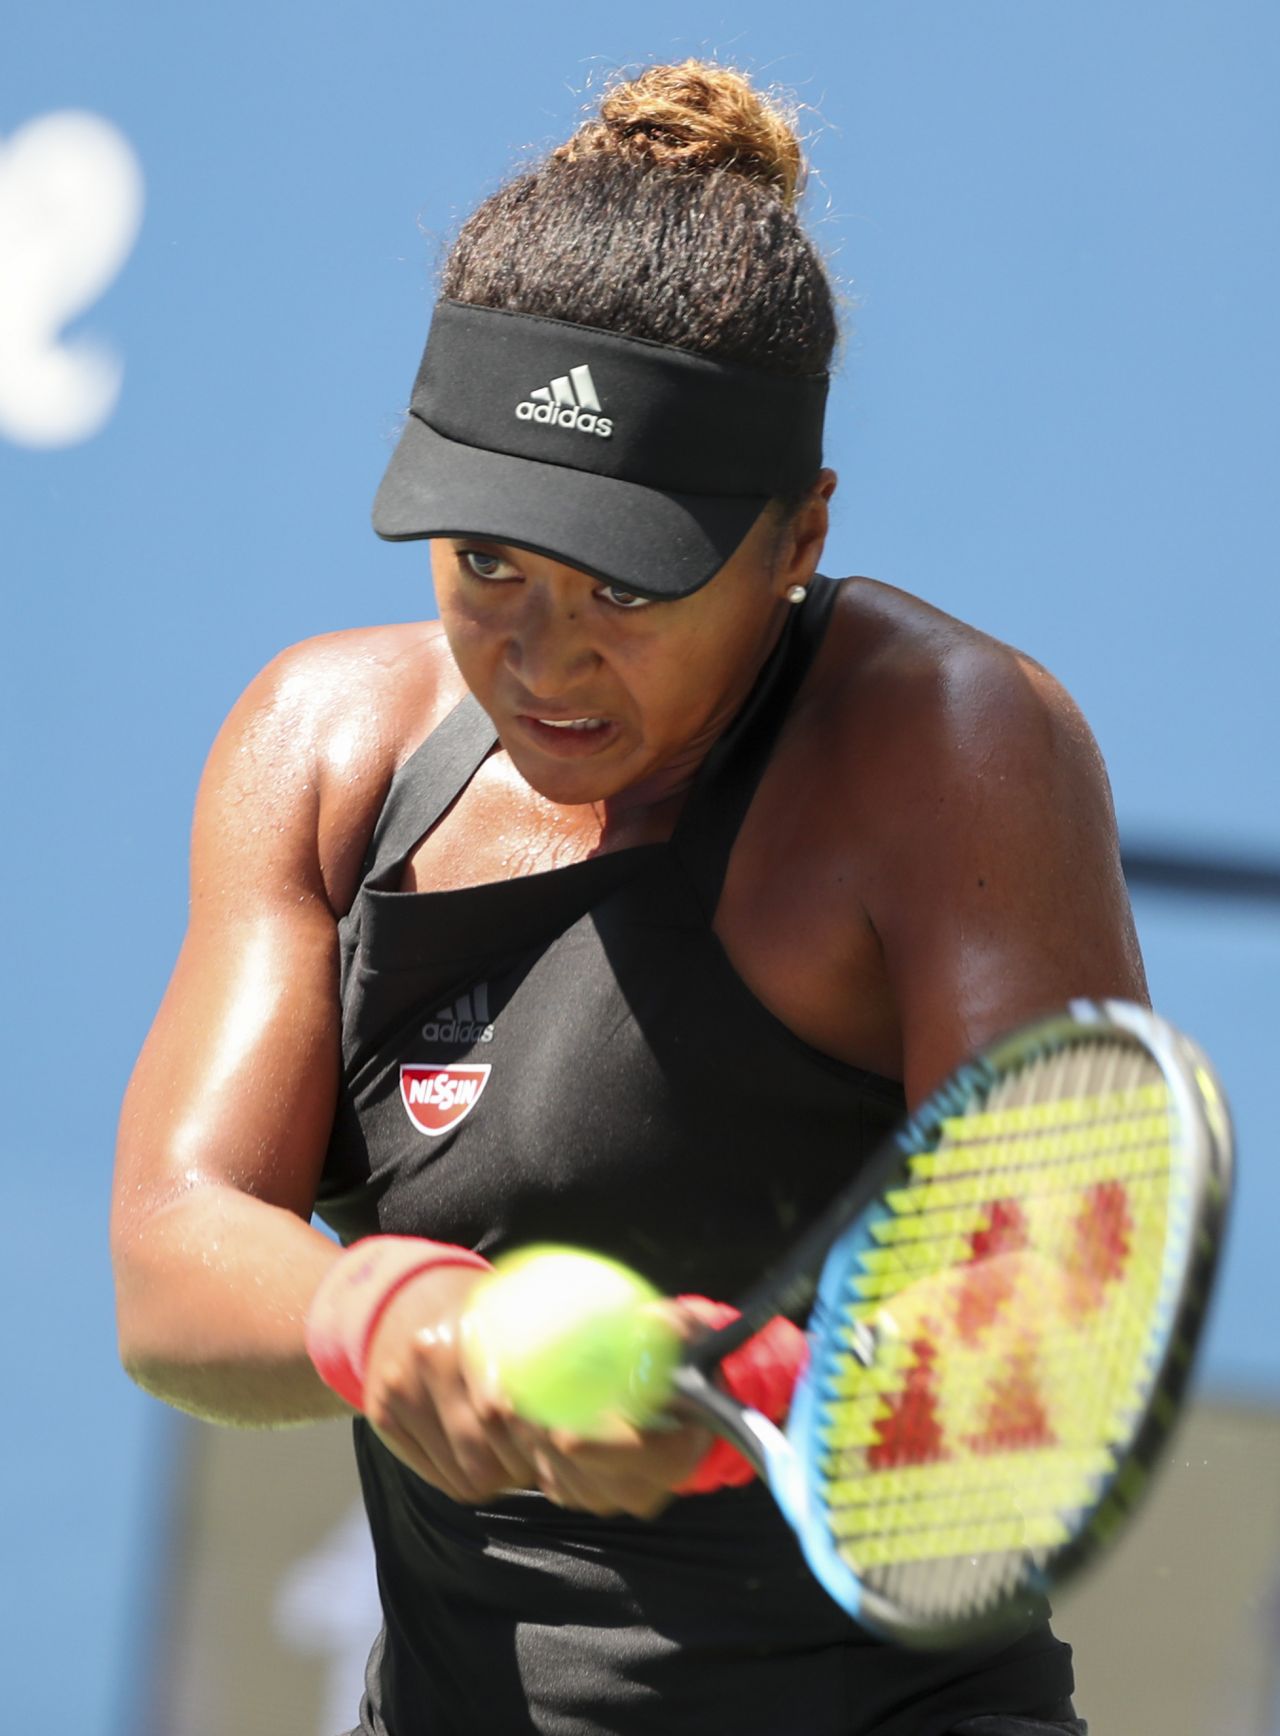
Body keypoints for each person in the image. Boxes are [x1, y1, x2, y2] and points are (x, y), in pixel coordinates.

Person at [111, 60, 1147, 1736]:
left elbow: (1056, 1334)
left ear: (797, 535)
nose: (545, 655)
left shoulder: (947, 750)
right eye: (488, 562)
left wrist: (755, 1382)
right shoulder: (321, 746)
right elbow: (170, 1261)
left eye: (627, 583)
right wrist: (397, 1314)